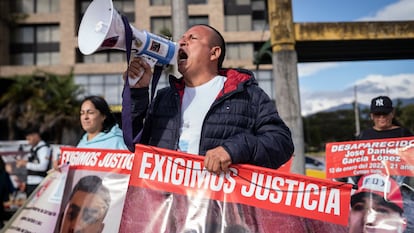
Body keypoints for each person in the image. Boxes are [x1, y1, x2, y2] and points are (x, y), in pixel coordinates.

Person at [122, 24, 294, 174]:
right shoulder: (165, 97)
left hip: (218, 205)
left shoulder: (246, 94)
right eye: (181, 38)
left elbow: (282, 142)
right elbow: (135, 144)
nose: (181, 42)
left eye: (192, 38)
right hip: (167, 205)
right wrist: (138, 92)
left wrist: (233, 149)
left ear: (214, 53)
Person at [16, 125, 51, 197]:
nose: (28, 142)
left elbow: (43, 167)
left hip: (38, 184)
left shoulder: (43, 149)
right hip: (30, 184)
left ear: (36, 136)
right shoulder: (33, 149)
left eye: (29, 138)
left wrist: (26, 164)